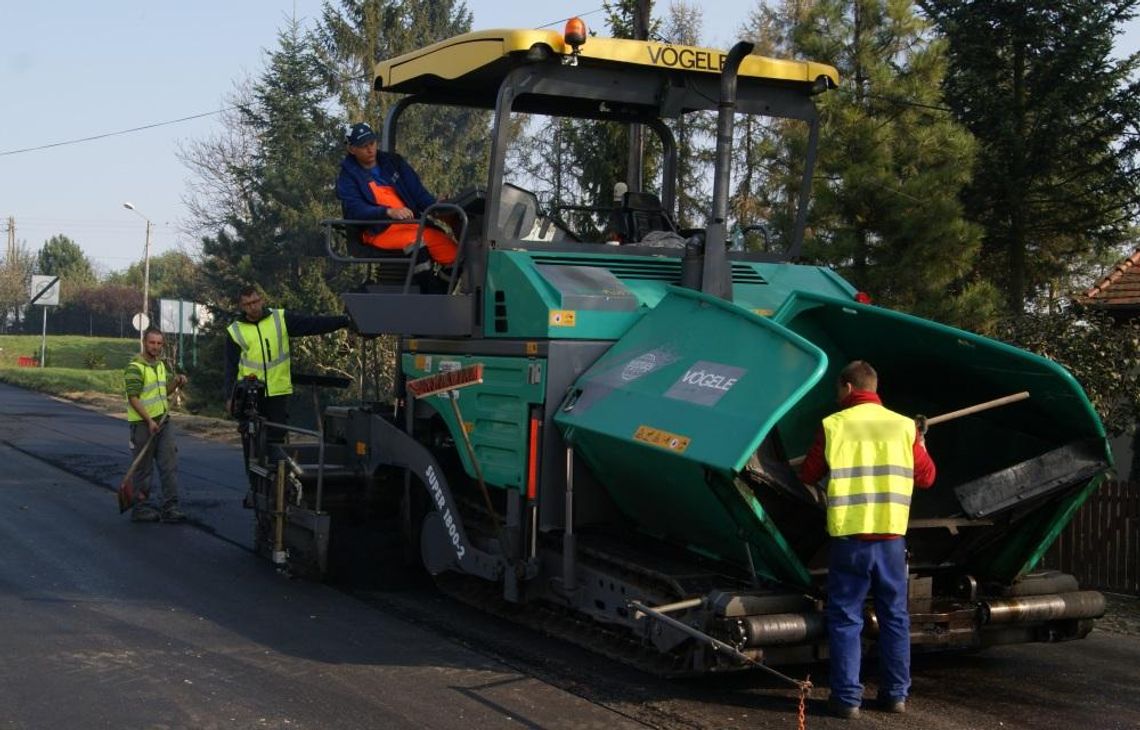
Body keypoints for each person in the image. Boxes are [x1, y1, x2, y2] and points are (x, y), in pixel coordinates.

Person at [797, 360, 936, 719]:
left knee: (846, 617)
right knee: (895, 616)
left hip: (850, 537)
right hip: (890, 537)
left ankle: (846, 700)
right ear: (873, 389)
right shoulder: (904, 426)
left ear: (846, 387)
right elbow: (927, 478)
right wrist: (920, 441)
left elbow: (808, 474)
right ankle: (895, 696)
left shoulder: (833, 425)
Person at [223, 285, 353, 433]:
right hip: (250, 392)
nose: (253, 307)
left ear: (262, 300)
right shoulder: (235, 330)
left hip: (277, 391)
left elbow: (312, 324)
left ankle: (274, 456)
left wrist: (343, 321)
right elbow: (230, 367)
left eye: (255, 301)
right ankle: (253, 454)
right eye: (248, 304)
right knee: (250, 434)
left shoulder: (280, 318)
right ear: (241, 306)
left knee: (277, 436)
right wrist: (229, 397)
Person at [335, 121, 458, 268]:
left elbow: (418, 194)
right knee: (426, 241)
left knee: (453, 250)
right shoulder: (348, 177)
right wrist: (388, 212)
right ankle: (430, 287)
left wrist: (437, 208)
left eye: (372, 143)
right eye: (363, 146)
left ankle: (441, 288)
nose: (370, 149)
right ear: (351, 149)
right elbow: (356, 209)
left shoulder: (393, 163)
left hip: (410, 225)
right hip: (377, 231)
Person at [124, 327, 189, 523]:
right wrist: (149, 421)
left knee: (169, 464)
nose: (156, 347)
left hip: (163, 421)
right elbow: (133, 398)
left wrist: (176, 382)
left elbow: (163, 392)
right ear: (145, 342)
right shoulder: (135, 367)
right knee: (144, 468)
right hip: (143, 425)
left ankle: (171, 506)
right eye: (152, 343)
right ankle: (141, 507)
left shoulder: (160, 366)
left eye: (159, 343)